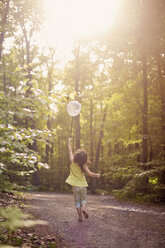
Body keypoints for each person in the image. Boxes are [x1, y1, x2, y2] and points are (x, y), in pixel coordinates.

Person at [65, 138, 100, 222]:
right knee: (83, 199)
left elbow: (69, 150)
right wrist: (96, 175)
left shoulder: (72, 161)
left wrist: (69, 142)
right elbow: (90, 173)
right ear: (84, 159)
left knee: (77, 202)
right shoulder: (84, 164)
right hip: (83, 185)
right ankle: (83, 208)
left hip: (75, 186)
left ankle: (80, 217)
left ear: (77, 155)